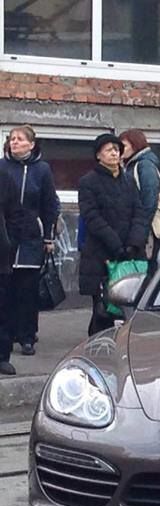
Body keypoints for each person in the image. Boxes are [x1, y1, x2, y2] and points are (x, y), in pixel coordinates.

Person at [78, 133, 150, 336]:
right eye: (109, 149)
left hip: (130, 254)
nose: (114, 153)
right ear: (98, 155)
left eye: (117, 149)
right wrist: (115, 245)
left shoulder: (128, 181)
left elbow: (140, 212)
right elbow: (91, 217)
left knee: (129, 310)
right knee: (103, 311)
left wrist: (134, 243)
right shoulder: (88, 182)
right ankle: (98, 350)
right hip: (101, 255)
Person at [0, 125, 60, 356]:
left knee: (27, 289)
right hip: (5, 235)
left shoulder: (42, 169)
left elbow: (49, 204)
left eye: (20, 139)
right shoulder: (3, 167)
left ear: (31, 144)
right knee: (8, 288)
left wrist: (48, 237)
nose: (15, 142)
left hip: (31, 236)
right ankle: (8, 333)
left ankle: (27, 335)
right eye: (12, 139)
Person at [119, 129, 160, 274]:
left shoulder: (144, 165)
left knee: (146, 271)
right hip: (138, 229)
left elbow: (149, 201)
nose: (119, 150)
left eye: (123, 146)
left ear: (135, 145)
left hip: (146, 231)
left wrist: (140, 233)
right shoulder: (131, 164)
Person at [0, 168, 17, 375]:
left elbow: (15, 214)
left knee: (2, 309)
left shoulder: (3, 176)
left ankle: (2, 356)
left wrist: (9, 242)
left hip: (1, 257)